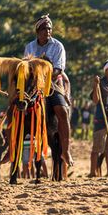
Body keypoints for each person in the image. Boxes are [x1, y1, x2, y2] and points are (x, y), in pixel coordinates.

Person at [24, 14, 72, 170]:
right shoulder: (30, 47)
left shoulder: (58, 46)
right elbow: (25, 67)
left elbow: (58, 69)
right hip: (32, 86)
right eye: (44, 29)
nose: (47, 32)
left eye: (49, 29)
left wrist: (44, 77)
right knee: (15, 108)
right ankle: (11, 150)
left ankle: (66, 151)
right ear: (37, 31)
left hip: (52, 84)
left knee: (62, 111)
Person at [90, 58, 108, 177]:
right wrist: (95, 85)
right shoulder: (100, 83)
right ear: (107, 70)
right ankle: (92, 172)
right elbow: (96, 100)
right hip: (101, 120)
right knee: (97, 148)